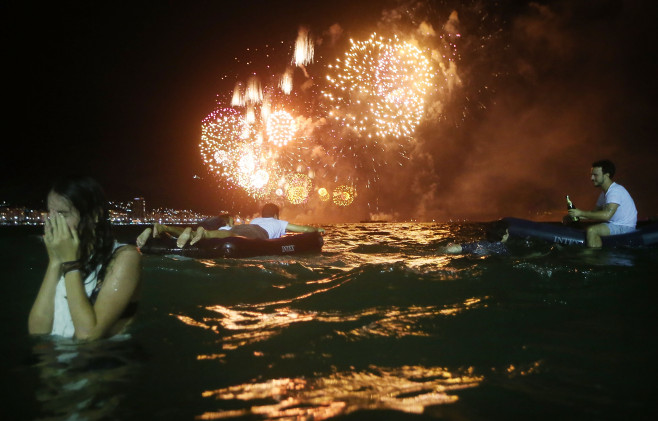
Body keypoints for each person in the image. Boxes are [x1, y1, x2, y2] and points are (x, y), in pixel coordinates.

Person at [28, 176, 142, 340]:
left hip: (103, 361)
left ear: (95, 215)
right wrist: (54, 262)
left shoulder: (125, 258)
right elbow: (37, 331)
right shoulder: (65, 256)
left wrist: (70, 264)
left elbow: (87, 336)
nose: (53, 223)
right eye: (50, 213)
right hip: (59, 359)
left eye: (63, 214)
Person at [568, 159, 637, 248]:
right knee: (590, 229)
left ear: (606, 175)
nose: (591, 178)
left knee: (592, 230)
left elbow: (606, 215)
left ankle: (593, 260)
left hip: (625, 227)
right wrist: (575, 216)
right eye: (591, 175)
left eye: (595, 175)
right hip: (614, 225)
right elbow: (594, 213)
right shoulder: (603, 193)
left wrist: (581, 213)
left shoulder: (615, 191)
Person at [186, 203, 325, 246]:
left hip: (247, 227)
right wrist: (317, 229)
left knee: (231, 231)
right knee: (232, 235)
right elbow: (305, 229)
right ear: (276, 215)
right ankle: (205, 233)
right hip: (257, 232)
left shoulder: (255, 220)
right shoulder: (278, 222)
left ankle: (191, 233)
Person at [136, 214, 233, 249]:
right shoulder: (227, 221)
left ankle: (163, 228)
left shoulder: (212, 219)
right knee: (231, 234)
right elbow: (231, 228)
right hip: (205, 230)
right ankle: (202, 233)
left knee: (183, 233)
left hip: (199, 226)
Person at [440, 220, 510, 256]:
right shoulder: (502, 248)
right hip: (483, 254)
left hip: (476, 249)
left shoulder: (481, 243)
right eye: (507, 232)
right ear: (504, 236)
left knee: (454, 248)